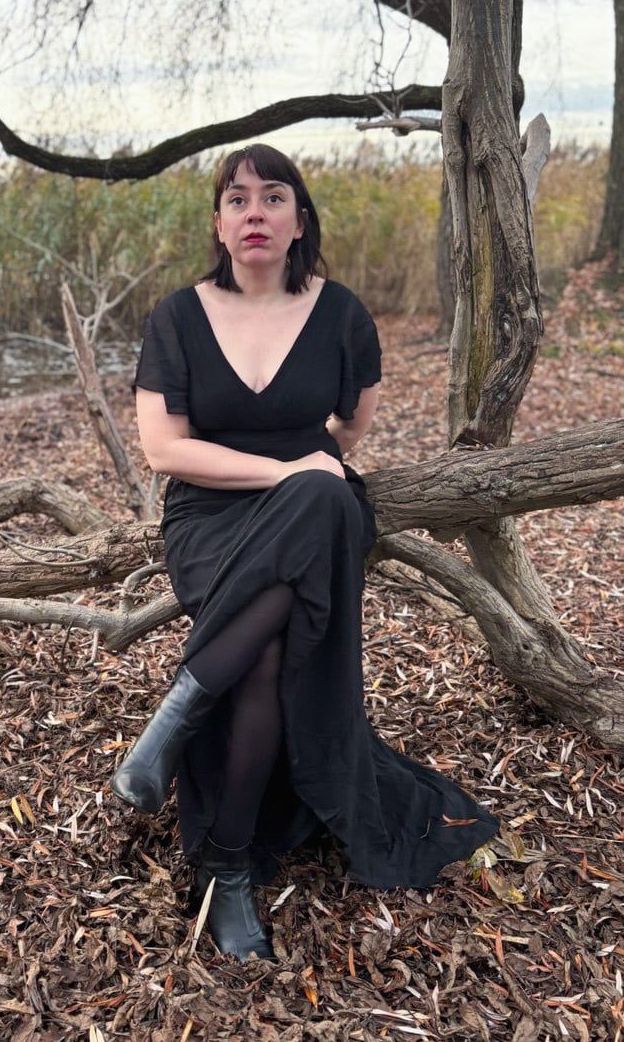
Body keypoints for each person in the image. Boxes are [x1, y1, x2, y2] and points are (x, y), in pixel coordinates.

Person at [110, 143, 500, 962]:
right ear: (218, 224)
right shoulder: (176, 318)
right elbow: (164, 451)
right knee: (280, 607)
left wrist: (306, 474)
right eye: (238, 200)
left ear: (298, 220)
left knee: (324, 495)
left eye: (274, 198)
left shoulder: (344, 315)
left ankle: (188, 755)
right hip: (210, 519)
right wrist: (288, 468)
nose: (255, 212)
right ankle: (224, 860)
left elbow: (354, 430)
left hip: (317, 516)